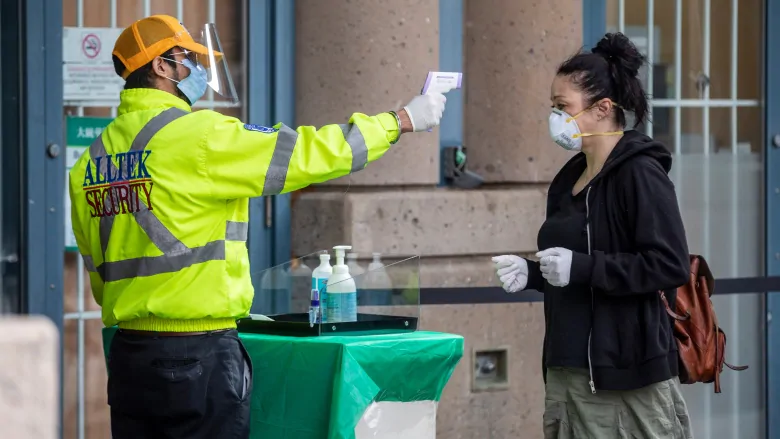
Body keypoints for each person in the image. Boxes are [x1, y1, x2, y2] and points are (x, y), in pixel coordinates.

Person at [68, 15, 447, 439]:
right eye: (188, 59)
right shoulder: (198, 136)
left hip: (128, 356)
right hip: (198, 354)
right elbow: (307, 154)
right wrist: (398, 122)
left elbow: (99, 272)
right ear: (161, 67)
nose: (198, 70)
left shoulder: (89, 161)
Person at [492, 33, 694, 438]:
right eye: (552, 106)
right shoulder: (569, 177)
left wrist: (581, 268)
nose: (555, 117)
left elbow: (668, 264)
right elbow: (577, 266)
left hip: (624, 378)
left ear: (603, 109)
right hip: (567, 371)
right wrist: (533, 274)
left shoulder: (640, 173)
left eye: (563, 107)